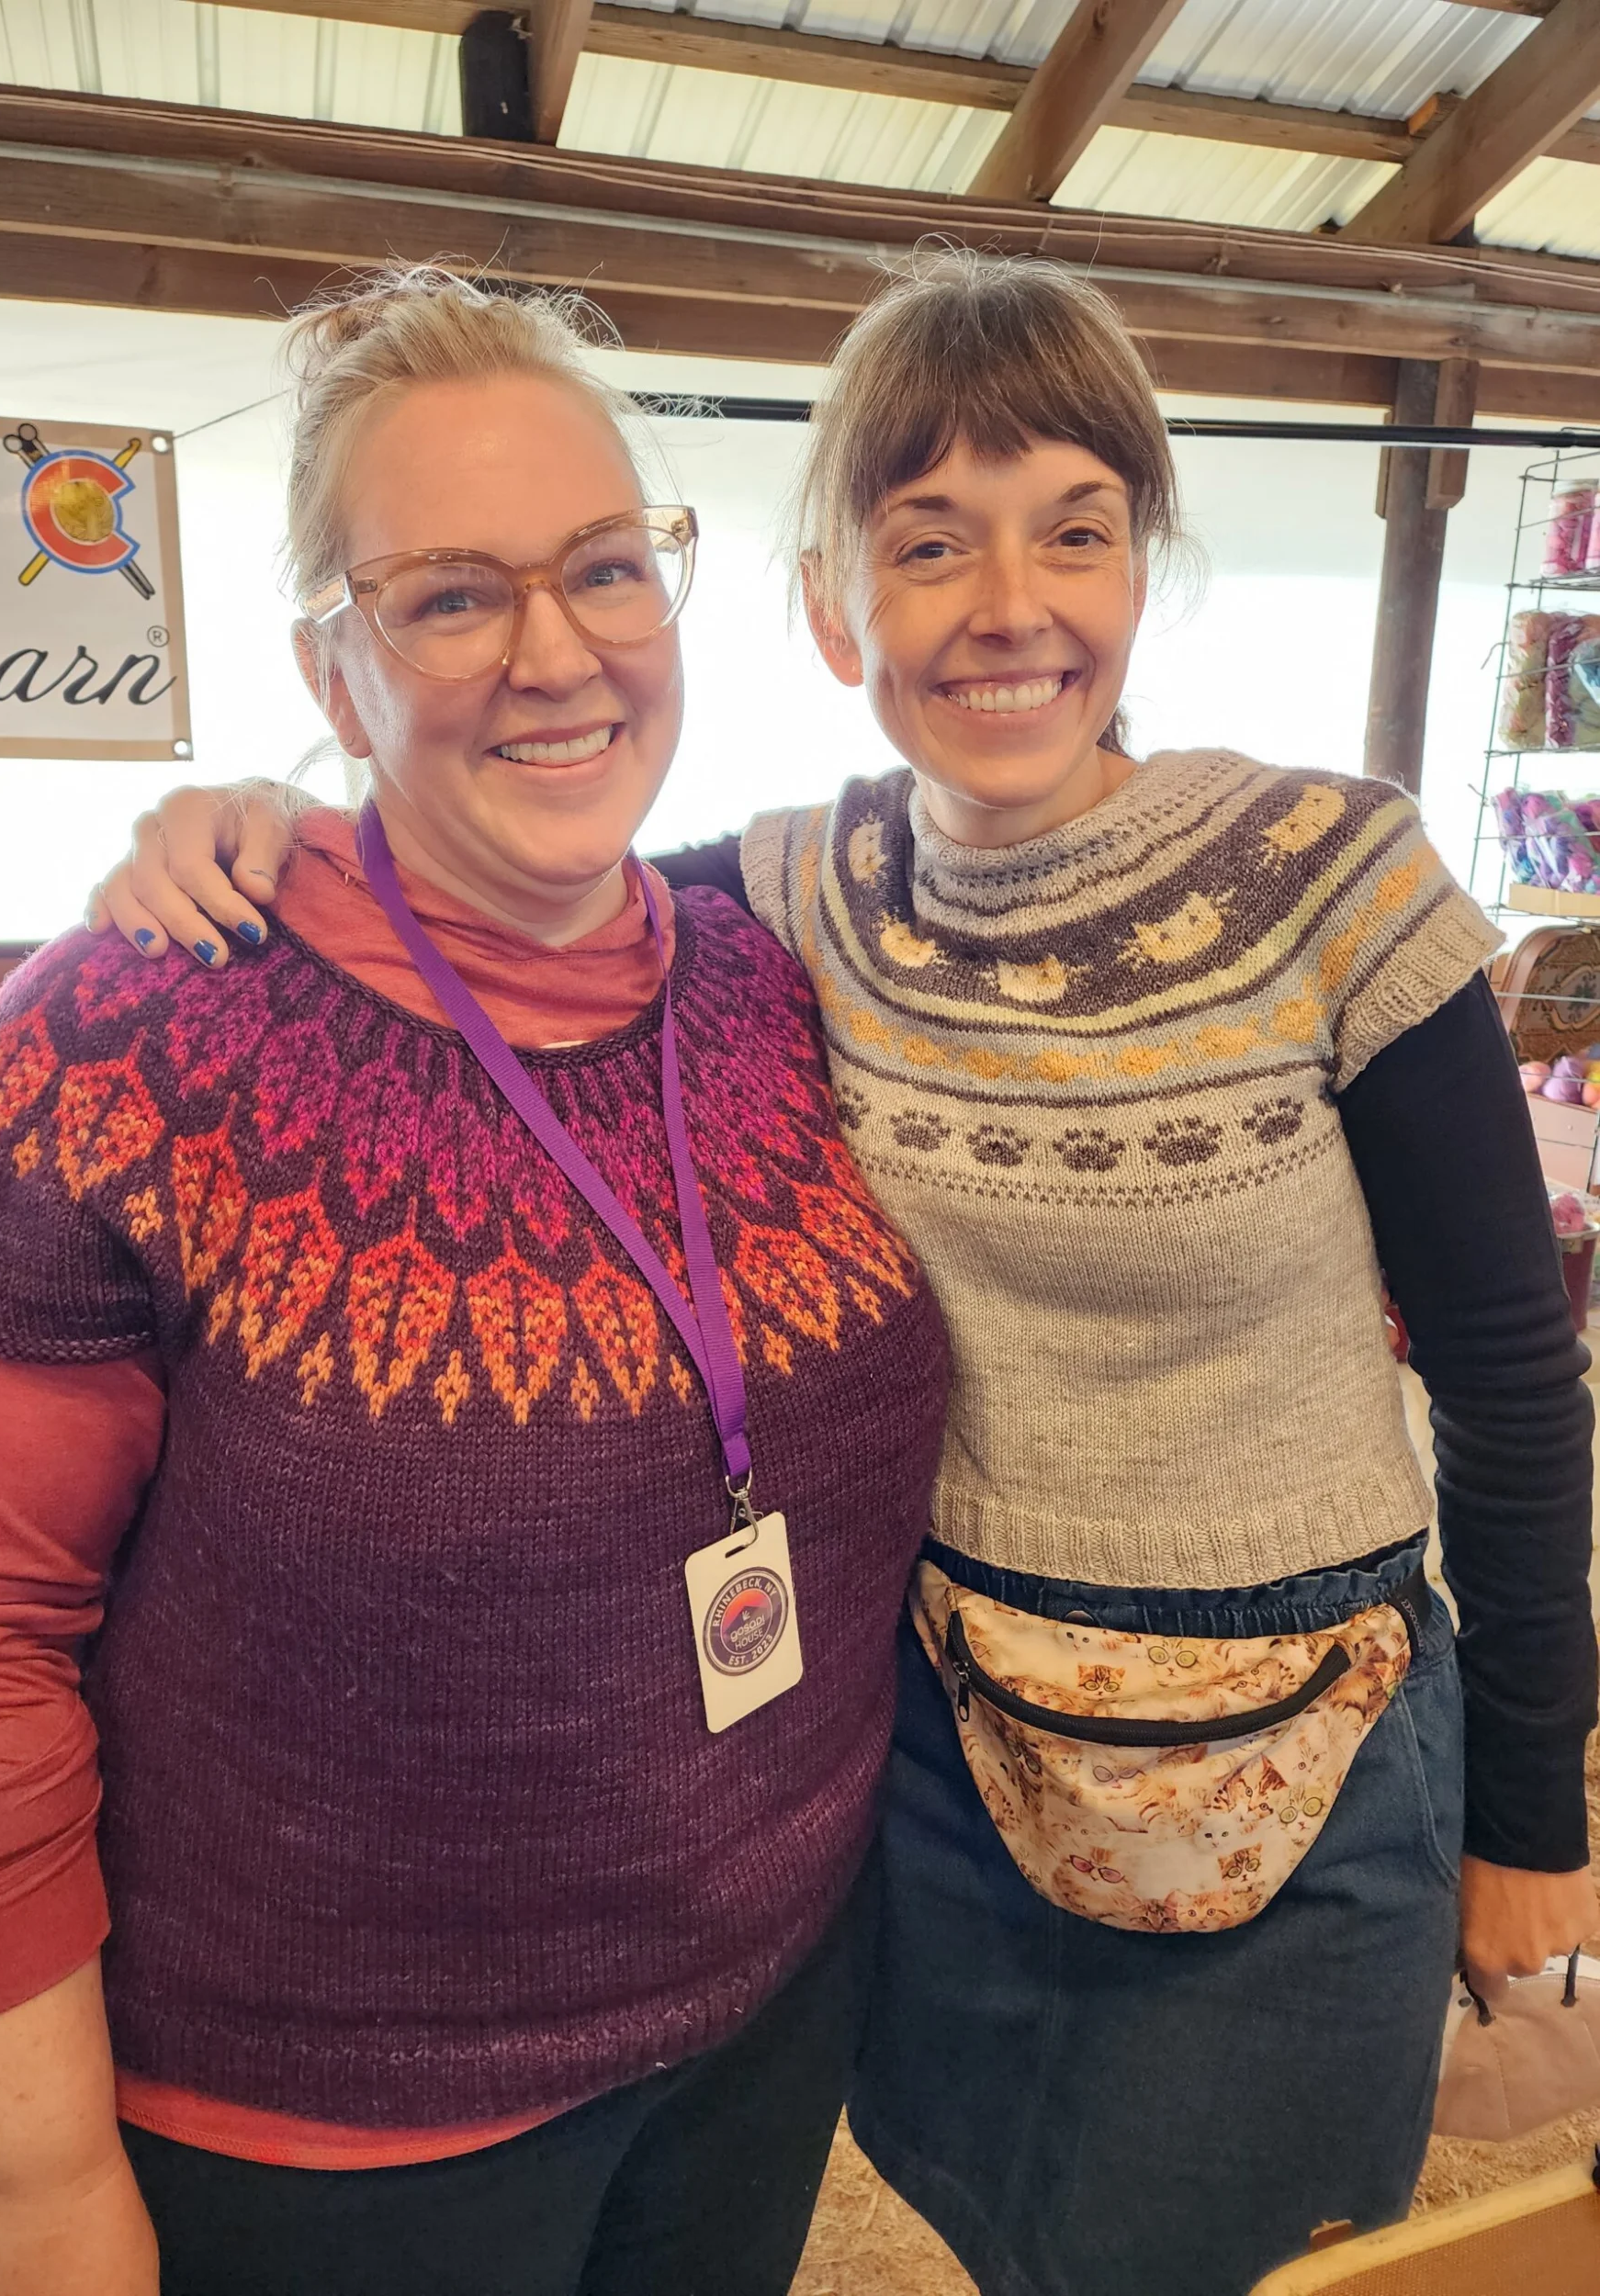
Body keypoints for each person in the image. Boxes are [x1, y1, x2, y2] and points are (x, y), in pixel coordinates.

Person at [103, 253, 1598, 2296]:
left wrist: (1533, 1817)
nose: (1009, 605)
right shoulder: (798, 891)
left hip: (1305, 1779)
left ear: (1141, 567)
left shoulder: (1337, 881)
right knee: (1009, 2226)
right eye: (930, 541)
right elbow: (493, 864)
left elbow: (1511, 1378)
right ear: (832, 603)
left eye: (1074, 529)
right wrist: (267, 812)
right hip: (949, 1779)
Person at [0, 264, 952, 2296]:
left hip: (761, 2017)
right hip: (328, 2129)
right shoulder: (125, 1042)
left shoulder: (765, 969)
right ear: (331, 659)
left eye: (606, 568)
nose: (555, 654)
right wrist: (32, 2181)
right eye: (450, 596)